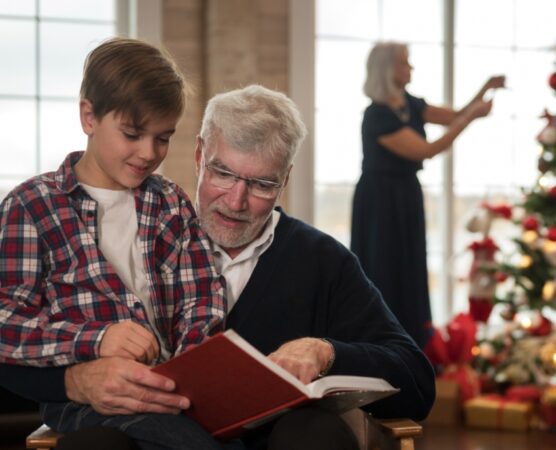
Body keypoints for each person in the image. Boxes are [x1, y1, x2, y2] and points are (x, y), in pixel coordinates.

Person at [0, 85, 435, 450]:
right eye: (222, 173)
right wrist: (74, 381)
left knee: (315, 432)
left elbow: (416, 382)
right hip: (145, 435)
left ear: (284, 180)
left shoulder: (321, 260)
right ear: (198, 156)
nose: (236, 200)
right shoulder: (146, 234)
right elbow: (16, 345)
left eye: (262, 183)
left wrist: (326, 350)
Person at [0, 38, 233, 450]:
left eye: (163, 138)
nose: (148, 153)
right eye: (132, 133)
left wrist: (194, 363)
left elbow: (202, 300)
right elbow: (6, 325)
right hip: (91, 400)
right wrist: (98, 339)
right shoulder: (32, 207)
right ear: (89, 116)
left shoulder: (171, 203)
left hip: (175, 389)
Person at [351, 41, 505, 349]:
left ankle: (412, 343)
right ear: (388, 70)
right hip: (382, 200)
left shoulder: (409, 104)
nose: (411, 69)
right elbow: (428, 150)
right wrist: (472, 117)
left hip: (405, 194)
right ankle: (383, 344)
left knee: (410, 266)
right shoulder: (378, 116)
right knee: (385, 267)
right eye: (405, 63)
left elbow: (454, 115)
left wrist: (485, 89)